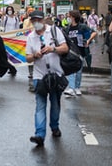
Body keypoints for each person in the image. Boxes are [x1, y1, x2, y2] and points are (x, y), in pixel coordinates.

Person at [25, 10, 69, 147]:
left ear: (43, 20)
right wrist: (35, 56)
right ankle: (39, 135)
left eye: (38, 20)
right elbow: (27, 58)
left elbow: (65, 48)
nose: (36, 23)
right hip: (40, 77)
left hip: (56, 75)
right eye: (33, 21)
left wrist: (52, 49)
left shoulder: (54, 31)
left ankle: (55, 127)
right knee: (40, 106)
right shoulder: (30, 37)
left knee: (55, 104)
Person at [63, 10, 97, 96]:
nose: (68, 18)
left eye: (69, 16)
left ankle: (77, 87)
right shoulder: (67, 29)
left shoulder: (82, 27)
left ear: (73, 17)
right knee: (71, 71)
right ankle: (71, 88)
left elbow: (94, 33)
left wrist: (88, 41)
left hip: (81, 52)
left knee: (78, 71)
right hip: (71, 53)